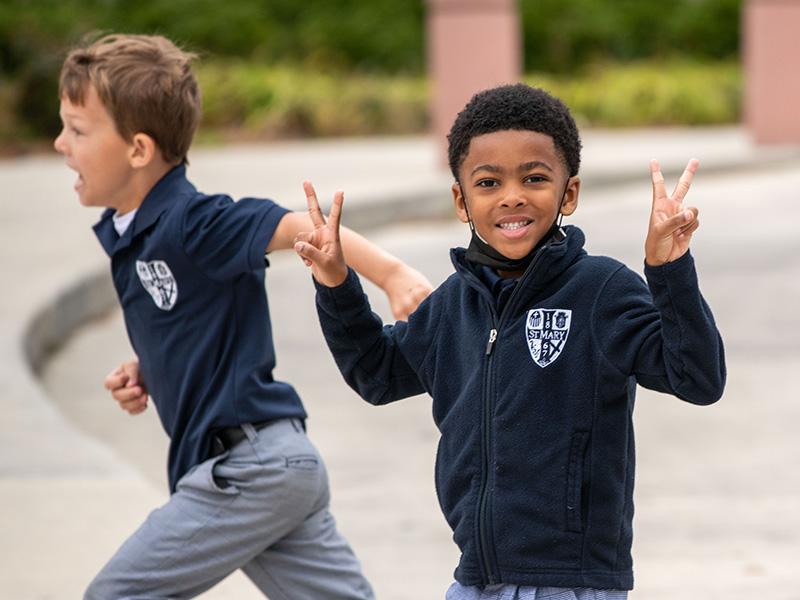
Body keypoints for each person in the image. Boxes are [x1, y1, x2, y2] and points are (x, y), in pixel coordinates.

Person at [294, 83, 726, 599]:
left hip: (572, 584)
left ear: (569, 193)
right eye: (488, 182)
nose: (512, 196)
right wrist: (336, 285)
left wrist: (669, 268)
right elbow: (377, 374)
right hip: (475, 579)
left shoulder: (601, 290)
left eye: (535, 178)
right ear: (462, 200)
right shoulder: (454, 303)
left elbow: (697, 378)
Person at [53, 33, 431, 599]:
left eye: (77, 130)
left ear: (138, 149)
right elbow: (191, 318)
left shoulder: (194, 222)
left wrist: (393, 275)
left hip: (248, 470)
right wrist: (149, 366)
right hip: (277, 465)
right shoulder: (134, 232)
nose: (60, 143)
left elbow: (298, 226)